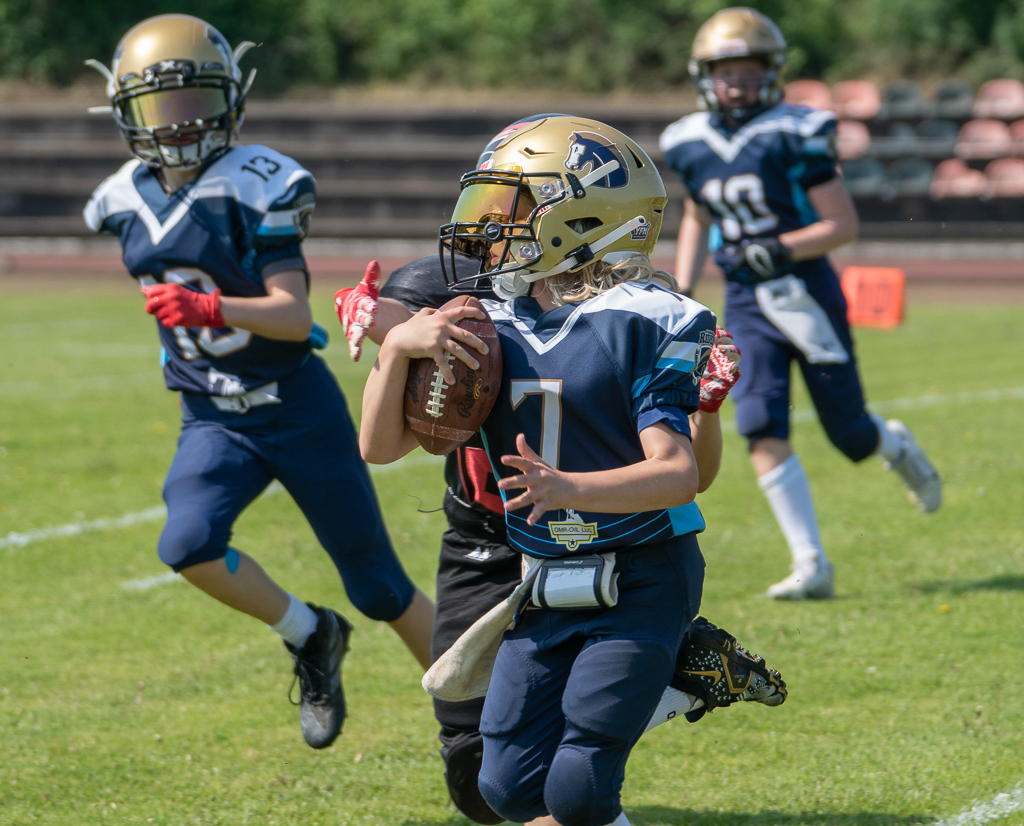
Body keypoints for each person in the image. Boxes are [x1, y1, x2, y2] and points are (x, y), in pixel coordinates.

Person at [358, 115, 753, 826]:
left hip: (641, 571)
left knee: (578, 786)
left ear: (583, 217)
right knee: (506, 789)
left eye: (511, 207)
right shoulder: (485, 319)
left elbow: (677, 475)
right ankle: (679, 680)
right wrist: (396, 351)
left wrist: (568, 488)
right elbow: (380, 448)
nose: (489, 228)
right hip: (542, 579)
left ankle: (673, 676)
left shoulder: (648, 317)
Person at [82, 13, 433, 751]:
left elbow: (293, 315)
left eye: (195, 103)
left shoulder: (256, 183)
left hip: (295, 407)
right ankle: (310, 633)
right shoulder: (120, 198)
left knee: (378, 585)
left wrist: (208, 307)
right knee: (187, 544)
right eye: (161, 107)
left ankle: (480, 722)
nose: (180, 124)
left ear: (230, 101)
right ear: (126, 113)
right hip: (212, 416)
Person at [660, 7, 942, 600]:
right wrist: (684, 285)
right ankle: (810, 562)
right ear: (705, 76)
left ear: (773, 72)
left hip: (805, 292)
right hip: (746, 300)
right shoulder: (688, 140)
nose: (738, 83)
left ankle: (894, 444)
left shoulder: (796, 130)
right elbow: (698, 215)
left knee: (851, 436)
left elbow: (842, 224)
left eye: (750, 71)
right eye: (727, 73)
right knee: (759, 423)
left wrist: (781, 246)